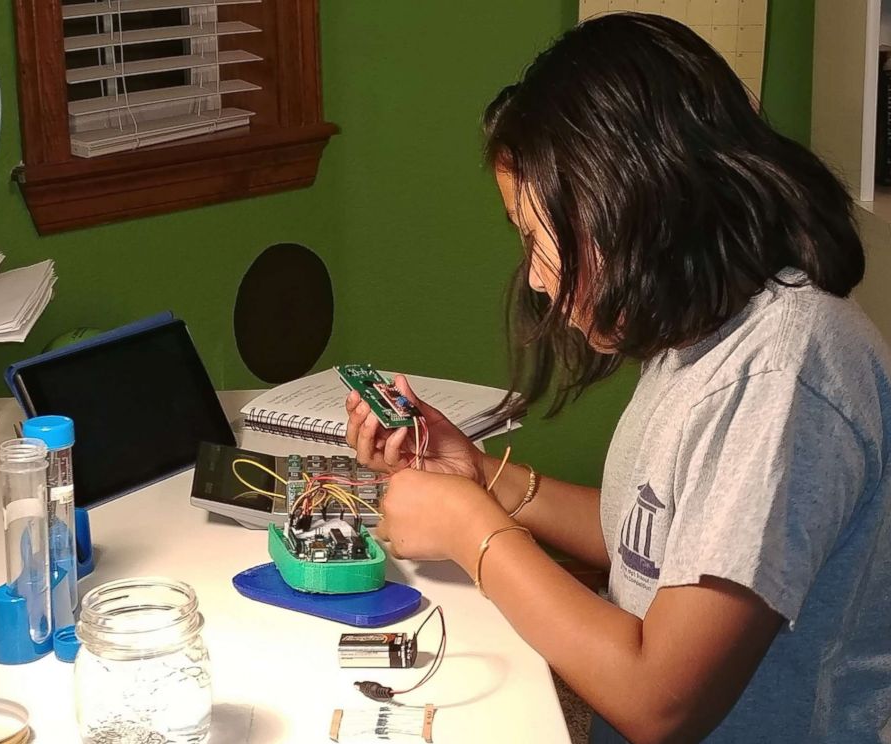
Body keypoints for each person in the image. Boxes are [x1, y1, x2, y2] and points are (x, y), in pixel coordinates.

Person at [344, 13, 890, 744]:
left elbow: (660, 699)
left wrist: (469, 528)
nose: (537, 282)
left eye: (539, 241)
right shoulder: (706, 324)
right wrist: (480, 477)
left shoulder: (782, 376)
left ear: (634, 206)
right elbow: (658, 543)